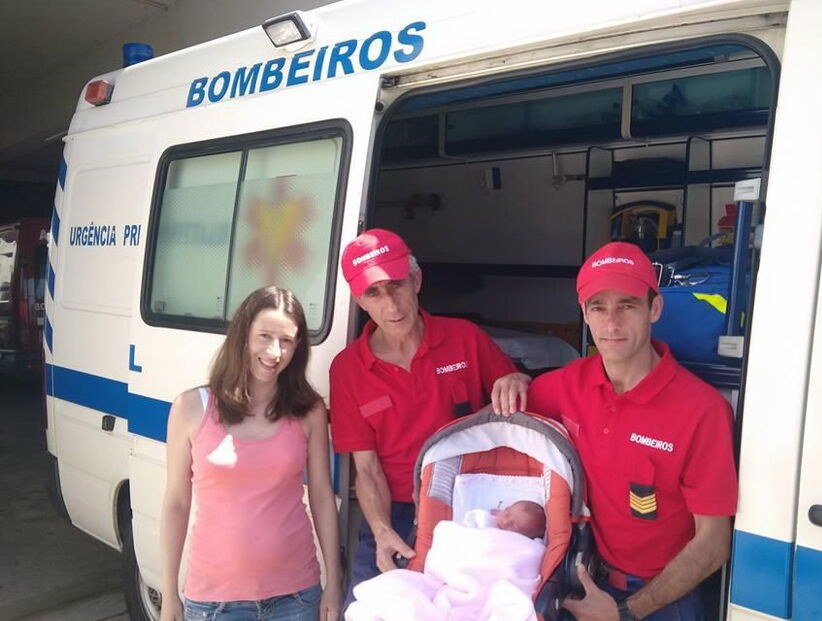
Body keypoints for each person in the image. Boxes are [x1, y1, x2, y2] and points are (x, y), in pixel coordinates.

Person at [491, 242, 738, 621]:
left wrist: (625, 612)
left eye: (627, 305)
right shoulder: (567, 383)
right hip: (581, 578)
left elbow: (714, 543)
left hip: (662, 598)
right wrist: (514, 380)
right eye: (598, 307)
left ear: (654, 308)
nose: (611, 324)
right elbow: (494, 426)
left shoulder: (702, 410)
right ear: (584, 313)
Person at [329, 228, 527, 605]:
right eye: (374, 293)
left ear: (416, 280)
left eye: (397, 285)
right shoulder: (347, 369)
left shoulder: (465, 337)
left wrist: (517, 380)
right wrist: (382, 531)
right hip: (398, 513)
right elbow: (366, 469)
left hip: (471, 505)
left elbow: (514, 407)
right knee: (364, 608)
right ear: (359, 300)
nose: (391, 305)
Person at [159, 286, 342, 621]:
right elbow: (176, 503)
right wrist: (168, 593)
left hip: (297, 597)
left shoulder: (309, 410)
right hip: (215, 603)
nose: (274, 351)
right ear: (243, 335)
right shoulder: (191, 407)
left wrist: (334, 581)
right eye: (265, 336)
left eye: (286, 341)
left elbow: (321, 495)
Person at [345, 500, 548, 621]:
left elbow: (521, 562)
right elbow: (451, 533)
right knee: (396, 587)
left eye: (514, 525)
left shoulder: (524, 547)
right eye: (508, 513)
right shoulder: (481, 521)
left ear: (527, 536)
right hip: (448, 581)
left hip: (489, 587)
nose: (506, 521)